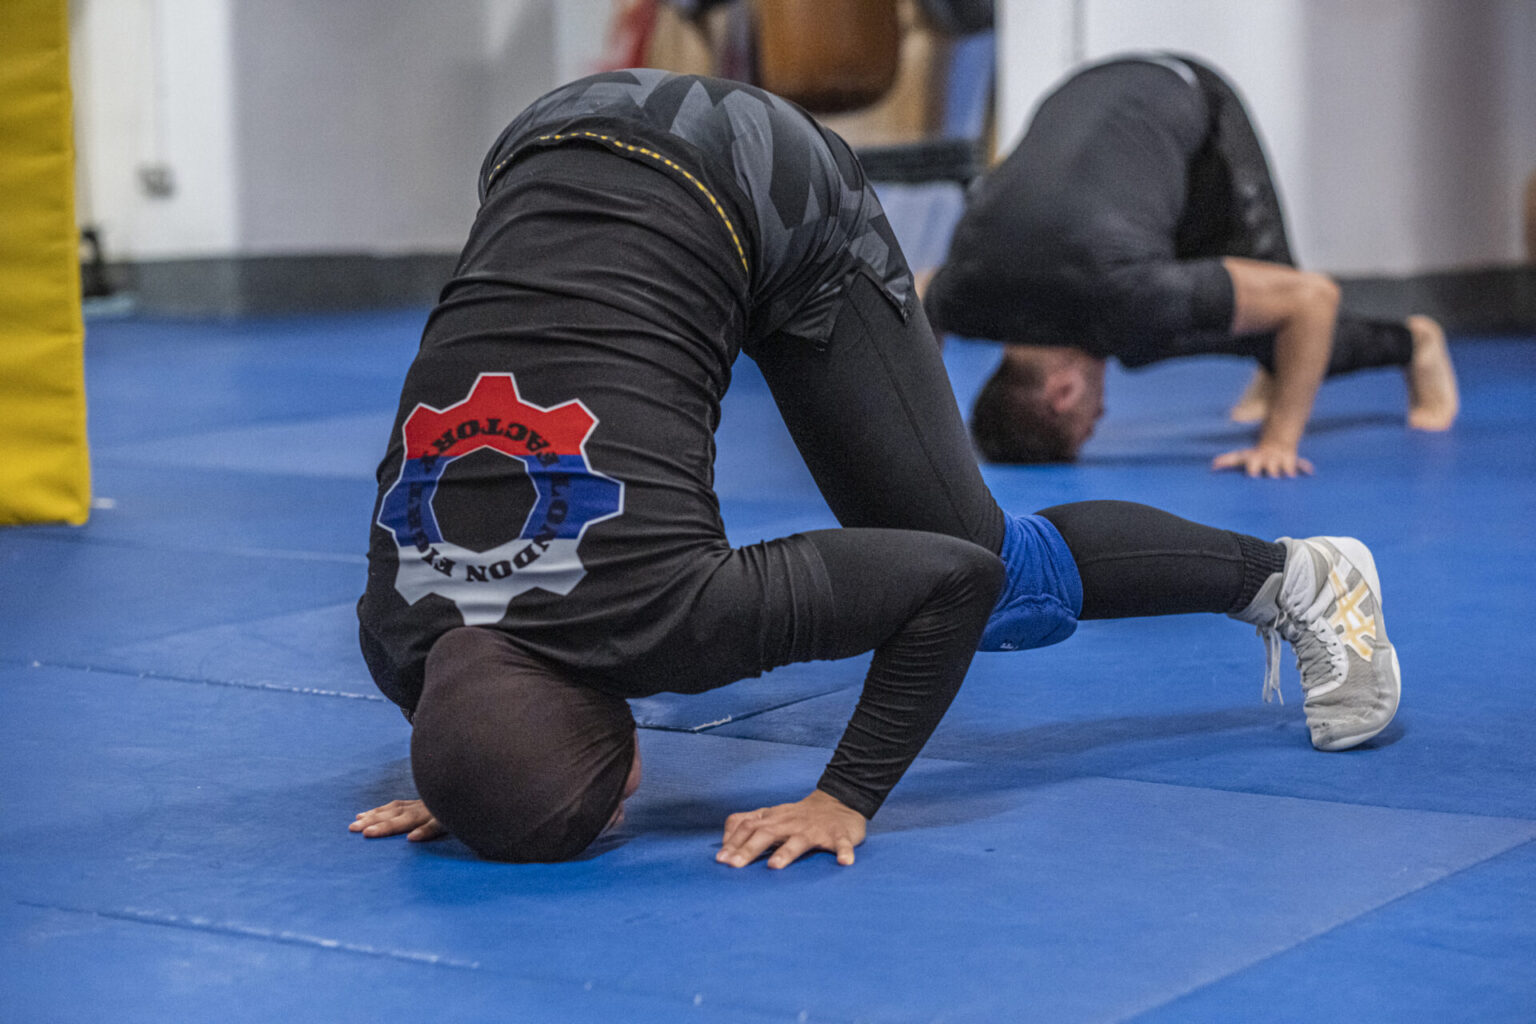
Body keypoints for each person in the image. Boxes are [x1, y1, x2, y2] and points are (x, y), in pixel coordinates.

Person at [350, 69, 1401, 870]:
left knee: (996, 566)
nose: (631, 804)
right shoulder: (398, 639)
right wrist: (471, 766)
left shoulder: (668, 613)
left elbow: (951, 582)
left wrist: (844, 795)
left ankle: (1301, 576)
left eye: (612, 801)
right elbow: (468, 688)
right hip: (553, 138)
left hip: (765, 179)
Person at [924, 54, 1460, 476]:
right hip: (1083, 92)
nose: (1102, 418)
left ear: (1062, 394)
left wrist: (1277, 442)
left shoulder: (1129, 295)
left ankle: (1417, 343)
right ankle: (1270, 362)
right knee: (1145, 334)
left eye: (1089, 427)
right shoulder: (964, 294)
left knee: (1281, 333)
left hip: (1187, 98)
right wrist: (915, 421)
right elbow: (915, 298)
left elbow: (1312, 298)